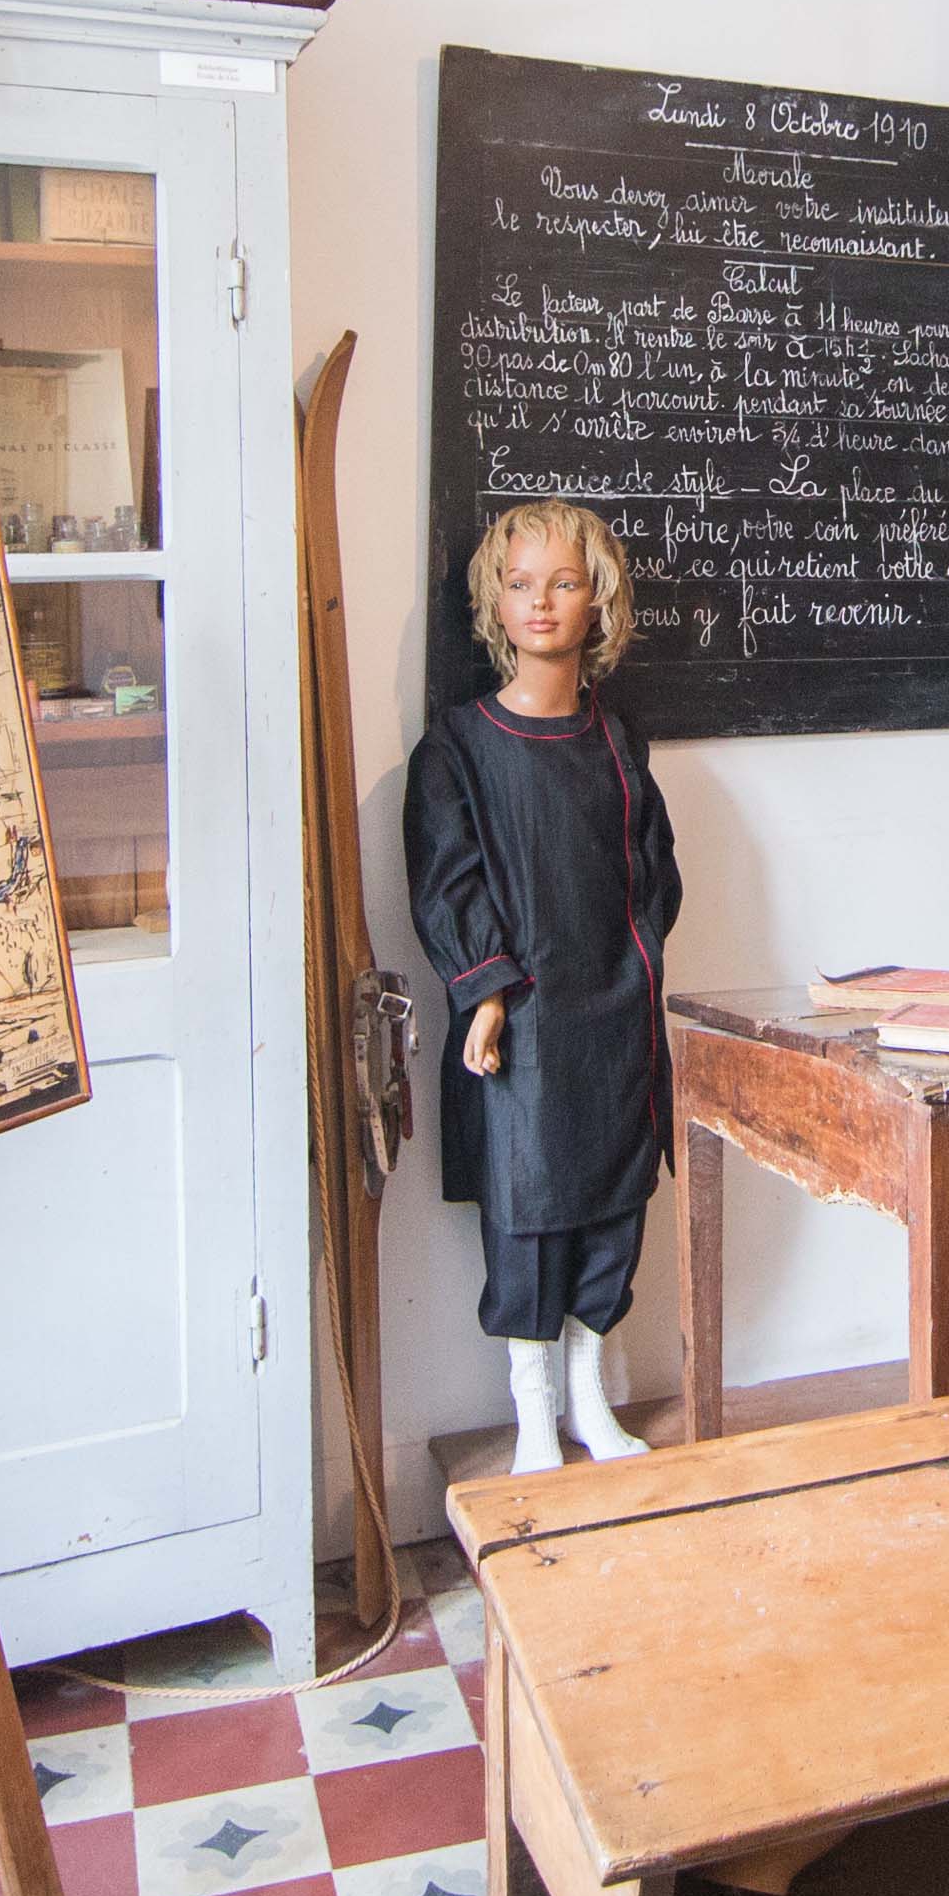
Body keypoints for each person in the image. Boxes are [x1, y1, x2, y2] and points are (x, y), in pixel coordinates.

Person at [407, 502, 682, 1469]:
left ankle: (588, 1401)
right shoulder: (457, 747)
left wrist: (630, 968)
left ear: (595, 599)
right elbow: (446, 880)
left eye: (562, 583)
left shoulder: (617, 741)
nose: (541, 603)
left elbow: (651, 872)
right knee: (525, 1210)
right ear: (493, 600)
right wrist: (484, 990)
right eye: (520, 584)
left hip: (612, 1013)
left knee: (614, 1205)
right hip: (520, 1020)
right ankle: (533, 1413)